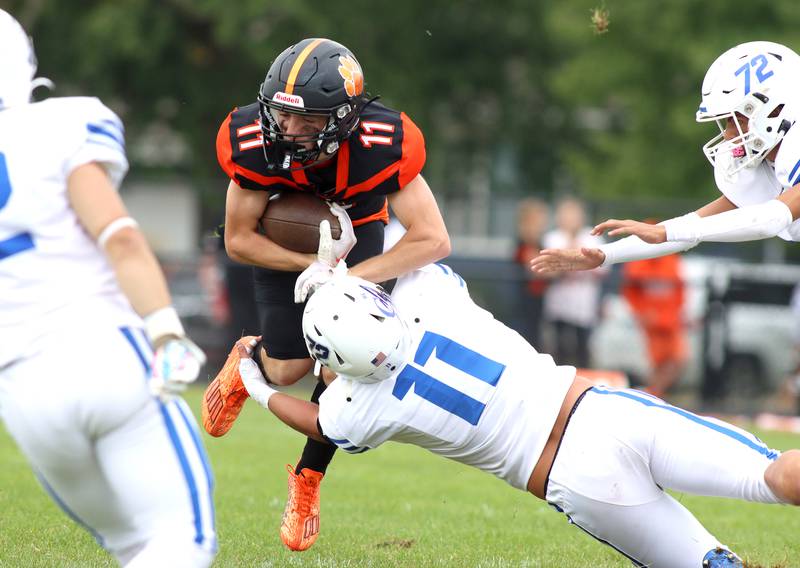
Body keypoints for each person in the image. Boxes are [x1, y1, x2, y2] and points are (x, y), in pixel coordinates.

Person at [234, 262, 800, 567]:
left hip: (576, 481)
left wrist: (257, 387)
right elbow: (409, 243)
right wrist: (336, 268)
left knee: (710, 565)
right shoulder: (430, 294)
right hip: (597, 414)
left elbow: (317, 423)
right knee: (772, 472)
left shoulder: (359, 408)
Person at [202, 37, 450, 551]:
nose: (289, 130)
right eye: (282, 115)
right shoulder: (251, 138)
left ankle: (308, 479)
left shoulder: (383, 142)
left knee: (347, 360)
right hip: (286, 239)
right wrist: (310, 267)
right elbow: (238, 239)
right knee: (288, 370)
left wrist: (346, 279)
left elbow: (433, 239)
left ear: (344, 116)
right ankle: (250, 358)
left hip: (358, 236)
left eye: (308, 119)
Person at [0, 10, 215, 568]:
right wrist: (167, 333)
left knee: (134, 548)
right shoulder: (57, 129)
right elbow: (120, 240)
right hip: (101, 350)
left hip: (22, 393)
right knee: (180, 545)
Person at [529, 41, 800, 275]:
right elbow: (692, 226)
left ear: (779, 109)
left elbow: (772, 219)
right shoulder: (767, 165)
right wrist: (605, 256)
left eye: (738, 120)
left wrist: (666, 232)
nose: (730, 136)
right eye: (726, 122)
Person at [620, 230, 688, 398]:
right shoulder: (638, 262)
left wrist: (677, 313)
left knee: (678, 359)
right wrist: (640, 313)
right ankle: (652, 394)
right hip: (650, 322)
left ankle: (653, 393)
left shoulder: (671, 261)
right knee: (656, 363)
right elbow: (630, 291)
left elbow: (680, 290)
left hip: (670, 321)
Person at [541, 197, 606, 367]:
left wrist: (573, 261)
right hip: (559, 302)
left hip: (584, 303)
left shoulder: (593, 237)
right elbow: (551, 267)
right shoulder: (552, 237)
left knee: (583, 347)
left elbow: (602, 268)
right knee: (559, 347)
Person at [513, 198, 549, 347]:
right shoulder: (524, 243)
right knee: (528, 334)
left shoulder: (538, 242)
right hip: (526, 296)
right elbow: (536, 266)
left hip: (537, 296)